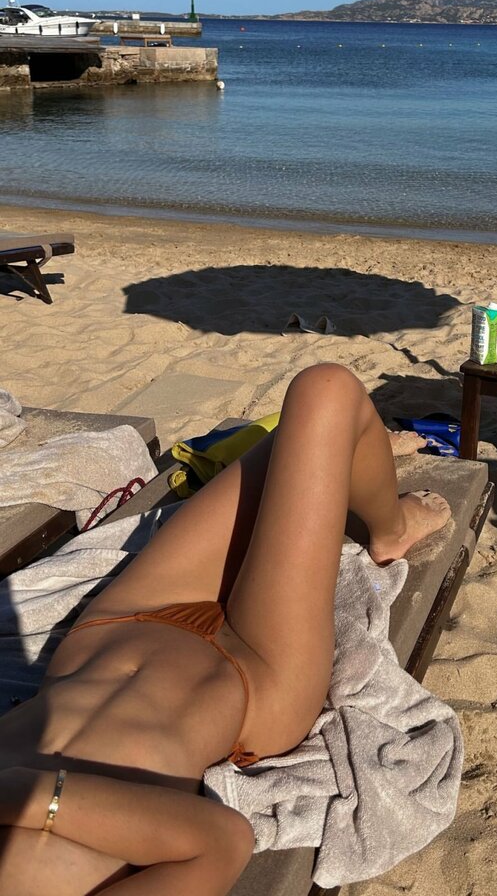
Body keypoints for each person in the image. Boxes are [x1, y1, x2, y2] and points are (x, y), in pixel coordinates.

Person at [0, 363, 451, 895]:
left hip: (122, 626)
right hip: (253, 680)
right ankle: (390, 528)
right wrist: (25, 795)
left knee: (315, 422)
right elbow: (222, 842)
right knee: (327, 394)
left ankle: (360, 466)